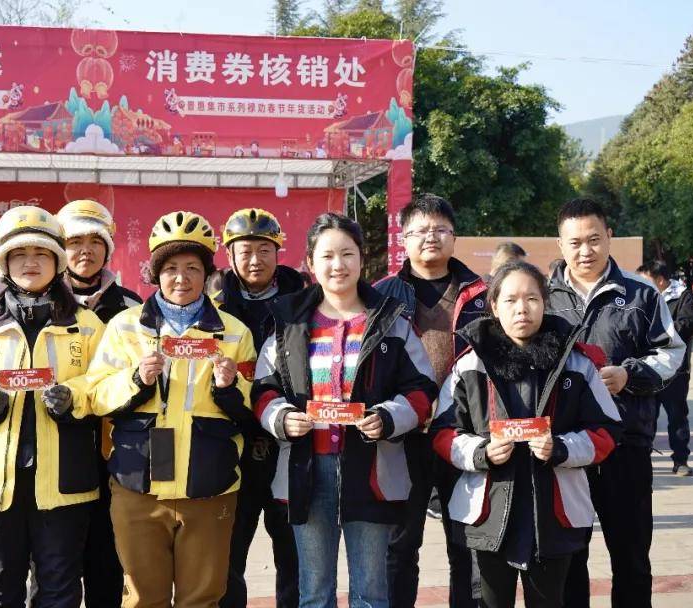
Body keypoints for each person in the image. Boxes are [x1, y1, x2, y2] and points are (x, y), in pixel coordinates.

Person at [255, 212, 436, 608]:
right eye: (327, 256)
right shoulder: (288, 323)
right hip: (306, 470)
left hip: (371, 469)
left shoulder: (391, 321)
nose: (338, 265)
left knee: (371, 592)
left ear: (362, 259)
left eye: (347, 254)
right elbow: (264, 389)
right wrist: (282, 419)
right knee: (314, 593)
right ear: (310, 263)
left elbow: (421, 389)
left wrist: (388, 418)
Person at [0, 206, 105, 608]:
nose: (31, 262)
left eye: (42, 253)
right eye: (20, 254)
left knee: (59, 587)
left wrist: (74, 396)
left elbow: (106, 381)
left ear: (57, 262)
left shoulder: (86, 325)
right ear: (4, 264)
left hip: (64, 479)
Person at [86, 210, 256, 608]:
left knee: (202, 599)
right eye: (171, 268)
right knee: (143, 598)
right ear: (155, 273)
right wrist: (136, 379)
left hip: (210, 484)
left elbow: (253, 407)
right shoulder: (125, 327)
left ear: (207, 273)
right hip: (138, 483)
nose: (182, 278)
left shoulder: (234, 332)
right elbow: (95, 395)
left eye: (193, 268)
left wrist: (231, 386)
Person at [432, 261, 622, 608]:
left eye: (532, 298)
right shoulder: (470, 365)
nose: (522, 308)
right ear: (494, 306)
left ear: (545, 302)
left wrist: (561, 448)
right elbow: (443, 433)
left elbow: (607, 431)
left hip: (555, 512)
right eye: (510, 300)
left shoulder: (576, 364)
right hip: (486, 513)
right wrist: (481, 452)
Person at [551, 198, 685, 608]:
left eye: (594, 239)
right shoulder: (543, 295)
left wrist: (629, 374)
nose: (585, 251)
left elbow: (672, 352)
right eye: (575, 242)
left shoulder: (641, 294)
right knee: (566, 560)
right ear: (560, 245)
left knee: (631, 558)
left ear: (609, 236)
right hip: (563, 450)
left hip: (625, 443)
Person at [376, 194, 487, 608]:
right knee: (400, 545)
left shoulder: (482, 294)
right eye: (420, 230)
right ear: (403, 238)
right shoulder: (381, 295)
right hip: (403, 437)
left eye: (441, 229)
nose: (431, 237)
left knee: (466, 545)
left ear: (454, 237)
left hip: (463, 435)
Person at [212, 208, 304, 608]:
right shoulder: (212, 308)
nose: (255, 260)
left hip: (290, 442)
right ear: (229, 255)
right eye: (245, 251)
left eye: (264, 250)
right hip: (232, 446)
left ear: (278, 252)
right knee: (228, 557)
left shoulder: (304, 303)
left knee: (293, 555)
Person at [55, 198, 141, 606]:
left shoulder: (133, 308)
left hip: (115, 455)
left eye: (95, 242)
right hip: (55, 453)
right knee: (55, 568)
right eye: (74, 242)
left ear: (108, 249)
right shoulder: (39, 303)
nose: (84, 251)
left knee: (108, 563)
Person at [637, 261, 693, 475]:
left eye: (646, 279)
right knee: (646, 416)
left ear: (660, 280)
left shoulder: (683, 296)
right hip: (647, 367)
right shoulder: (642, 295)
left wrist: (658, 333)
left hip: (675, 370)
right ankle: (642, 458)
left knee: (677, 417)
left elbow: (689, 323)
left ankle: (680, 460)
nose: (641, 283)